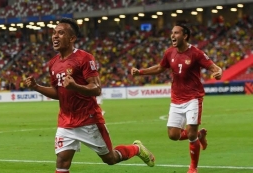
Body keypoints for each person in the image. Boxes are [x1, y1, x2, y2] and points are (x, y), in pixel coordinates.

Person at [24, 17, 155, 173]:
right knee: (62, 162)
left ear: (72, 38)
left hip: (89, 119)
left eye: (60, 33)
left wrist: (75, 86)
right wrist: (36, 86)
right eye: (54, 33)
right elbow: (58, 93)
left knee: (110, 159)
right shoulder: (53, 63)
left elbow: (96, 88)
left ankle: (136, 149)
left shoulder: (84, 58)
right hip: (65, 121)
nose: (55, 36)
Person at [131, 24, 222, 173]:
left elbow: (214, 67)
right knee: (173, 135)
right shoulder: (169, 53)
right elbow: (160, 68)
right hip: (176, 99)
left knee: (190, 134)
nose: (172, 36)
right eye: (172, 33)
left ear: (185, 36)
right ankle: (199, 135)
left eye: (176, 33)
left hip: (193, 97)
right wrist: (141, 72)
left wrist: (219, 72)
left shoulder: (196, 53)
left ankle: (193, 167)